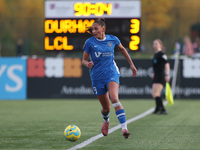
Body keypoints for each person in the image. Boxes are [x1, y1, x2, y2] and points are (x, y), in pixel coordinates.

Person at [82, 18, 137, 139]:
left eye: (96, 28)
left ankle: (124, 129)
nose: (94, 31)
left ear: (103, 28)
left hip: (112, 73)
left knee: (115, 98)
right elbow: (84, 60)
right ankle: (106, 120)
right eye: (92, 29)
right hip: (97, 77)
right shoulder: (89, 42)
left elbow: (123, 50)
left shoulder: (113, 39)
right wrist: (87, 64)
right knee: (106, 108)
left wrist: (132, 65)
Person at [152, 39, 170, 114]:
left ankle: (163, 109)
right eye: (154, 44)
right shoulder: (156, 54)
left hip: (161, 76)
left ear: (160, 45)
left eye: (156, 43)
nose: (154, 45)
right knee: (154, 93)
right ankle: (157, 108)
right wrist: (153, 73)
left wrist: (167, 74)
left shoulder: (162, 54)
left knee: (156, 93)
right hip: (156, 76)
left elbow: (167, 64)